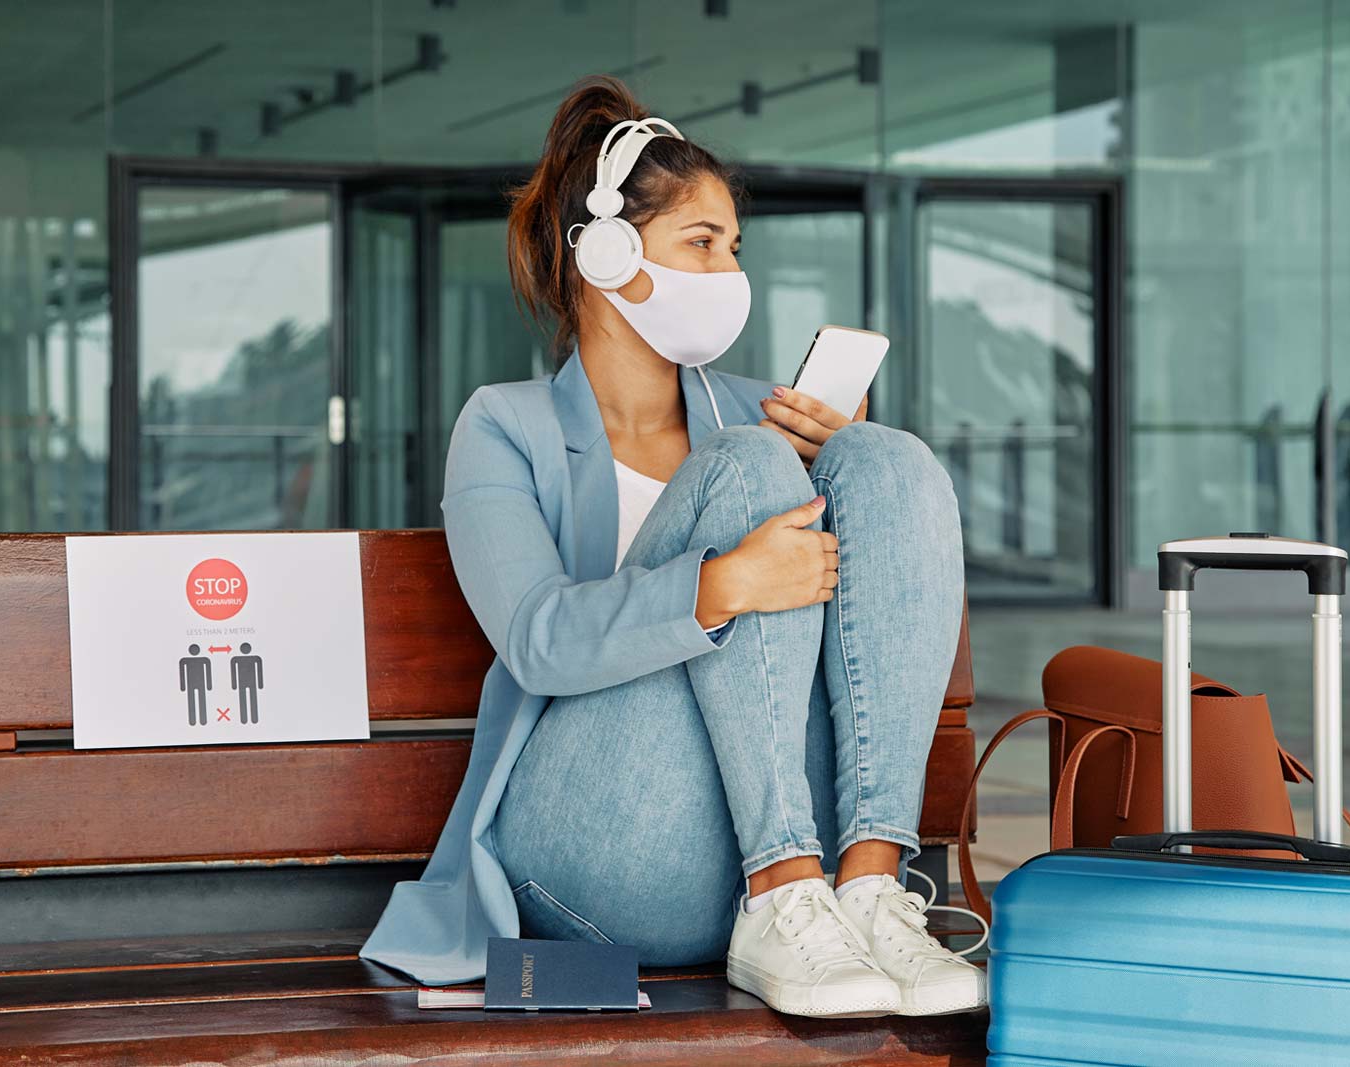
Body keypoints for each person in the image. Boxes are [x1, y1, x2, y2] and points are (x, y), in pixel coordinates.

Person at [360, 75, 981, 1018]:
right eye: (701, 243)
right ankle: (782, 888)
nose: (728, 271)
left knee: (884, 456)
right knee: (748, 469)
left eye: (734, 247)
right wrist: (720, 586)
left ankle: (870, 883)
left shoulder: (761, 414)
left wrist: (844, 462)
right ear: (605, 254)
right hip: (600, 846)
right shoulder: (505, 425)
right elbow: (538, 640)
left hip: (772, 845)